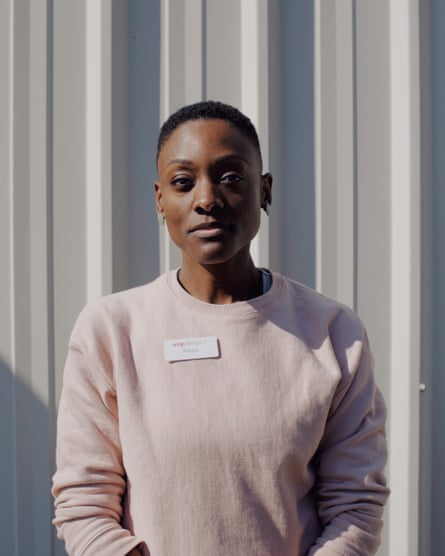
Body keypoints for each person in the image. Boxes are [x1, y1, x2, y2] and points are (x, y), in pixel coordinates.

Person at [52, 100, 389, 555]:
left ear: (264, 190)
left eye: (231, 177)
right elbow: (84, 502)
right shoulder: (112, 331)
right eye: (183, 182)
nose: (207, 199)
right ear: (160, 198)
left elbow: (355, 506)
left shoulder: (332, 331)